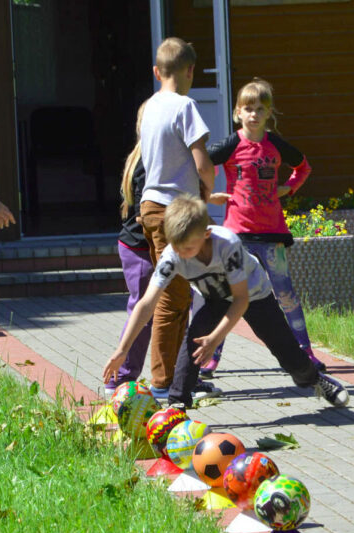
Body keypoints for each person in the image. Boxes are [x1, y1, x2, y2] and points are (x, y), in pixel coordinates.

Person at [102, 196, 349, 410]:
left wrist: (216, 338)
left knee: (284, 349)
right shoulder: (173, 254)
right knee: (193, 344)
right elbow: (147, 303)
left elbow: (240, 300)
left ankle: (315, 380)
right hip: (214, 297)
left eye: (188, 247)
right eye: (177, 246)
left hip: (253, 294)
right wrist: (122, 350)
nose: (182, 254)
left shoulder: (227, 245)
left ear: (206, 234)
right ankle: (177, 405)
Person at [204, 78, 325, 373]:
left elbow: (303, 166)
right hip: (237, 236)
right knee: (226, 295)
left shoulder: (275, 145)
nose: (254, 114)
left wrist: (290, 188)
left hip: (273, 235)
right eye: (248, 108)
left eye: (260, 108)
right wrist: (207, 195)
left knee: (285, 294)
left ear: (269, 112)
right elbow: (200, 164)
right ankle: (212, 354)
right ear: (238, 113)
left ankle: (304, 351)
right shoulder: (231, 145)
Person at [139, 37, 224, 401]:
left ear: (157, 72)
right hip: (177, 213)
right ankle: (162, 385)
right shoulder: (185, 106)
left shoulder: (149, 106)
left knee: (178, 296)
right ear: (190, 71)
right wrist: (207, 190)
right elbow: (203, 163)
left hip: (151, 206)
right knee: (172, 299)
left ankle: (179, 376)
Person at [104, 102, 152, 398]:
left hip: (139, 245)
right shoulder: (148, 160)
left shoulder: (147, 155)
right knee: (142, 313)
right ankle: (119, 379)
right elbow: (147, 214)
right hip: (139, 248)